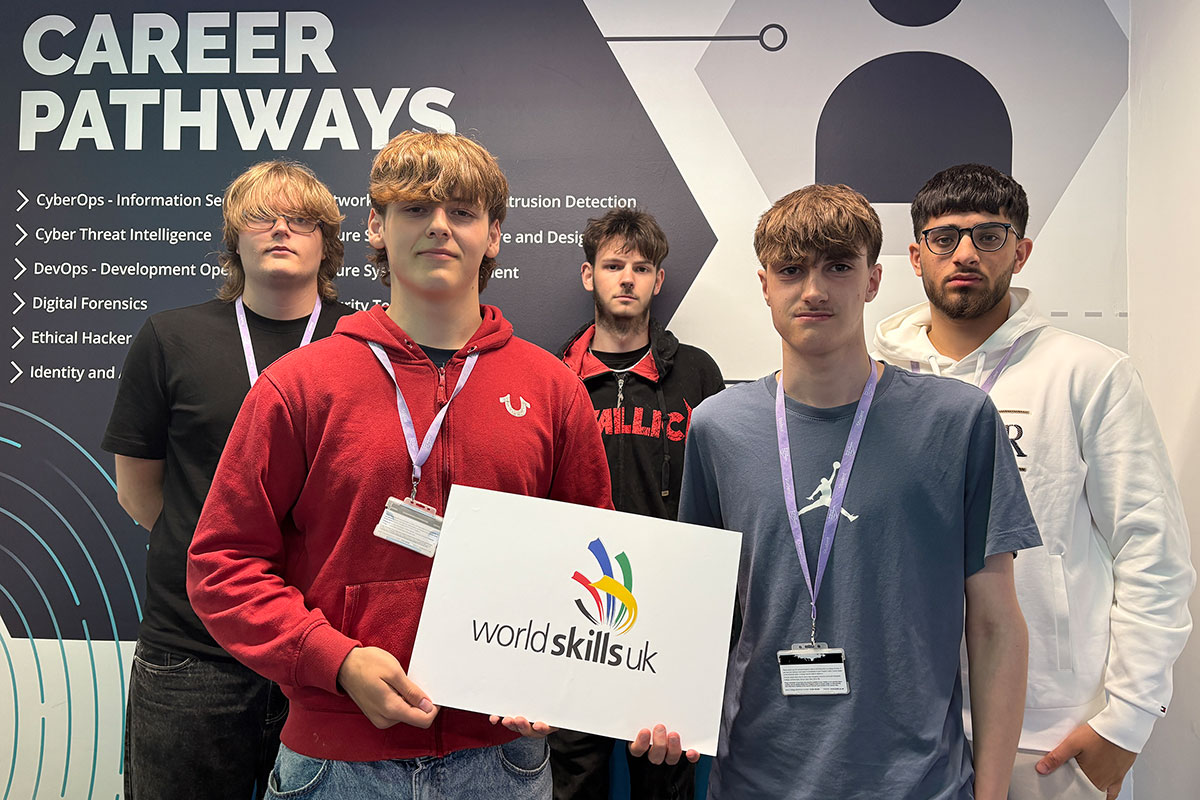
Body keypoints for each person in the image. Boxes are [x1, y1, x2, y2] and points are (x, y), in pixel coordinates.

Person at [187, 131, 690, 799]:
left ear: (494, 235)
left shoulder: (550, 389)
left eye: (462, 211)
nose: (439, 227)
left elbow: (595, 560)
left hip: (504, 763)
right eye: (416, 209)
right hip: (337, 765)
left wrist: (578, 684)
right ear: (376, 225)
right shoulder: (300, 385)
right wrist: (335, 661)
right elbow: (223, 565)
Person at [679, 183, 1040, 799]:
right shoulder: (719, 427)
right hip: (755, 781)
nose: (814, 290)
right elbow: (699, 613)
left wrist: (992, 794)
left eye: (838, 267)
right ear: (764, 285)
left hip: (918, 785)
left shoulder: (957, 422)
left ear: (873, 279)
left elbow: (995, 623)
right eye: (791, 270)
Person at [873, 163, 1195, 800]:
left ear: (1020, 252)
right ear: (915, 255)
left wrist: (1127, 721)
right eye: (944, 237)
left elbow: (1152, 550)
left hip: (1049, 733)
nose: (965, 253)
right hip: (903, 724)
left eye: (989, 236)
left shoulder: (1089, 374)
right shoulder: (874, 381)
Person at [102, 160, 355, 799]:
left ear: (327, 242)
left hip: (329, 653)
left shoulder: (365, 341)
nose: (280, 230)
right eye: (260, 217)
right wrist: (218, 546)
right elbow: (139, 490)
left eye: (300, 220)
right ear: (233, 238)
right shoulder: (171, 337)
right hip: (194, 649)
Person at [555, 209, 724, 799]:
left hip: (668, 609)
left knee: (665, 772)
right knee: (573, 773)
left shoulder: (697, 373)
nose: (626, 278)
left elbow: (720, 494)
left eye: (641, 267)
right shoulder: (553, 376)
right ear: (588, 275)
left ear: (658, 280)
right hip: (572, 608)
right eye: (612, 266)